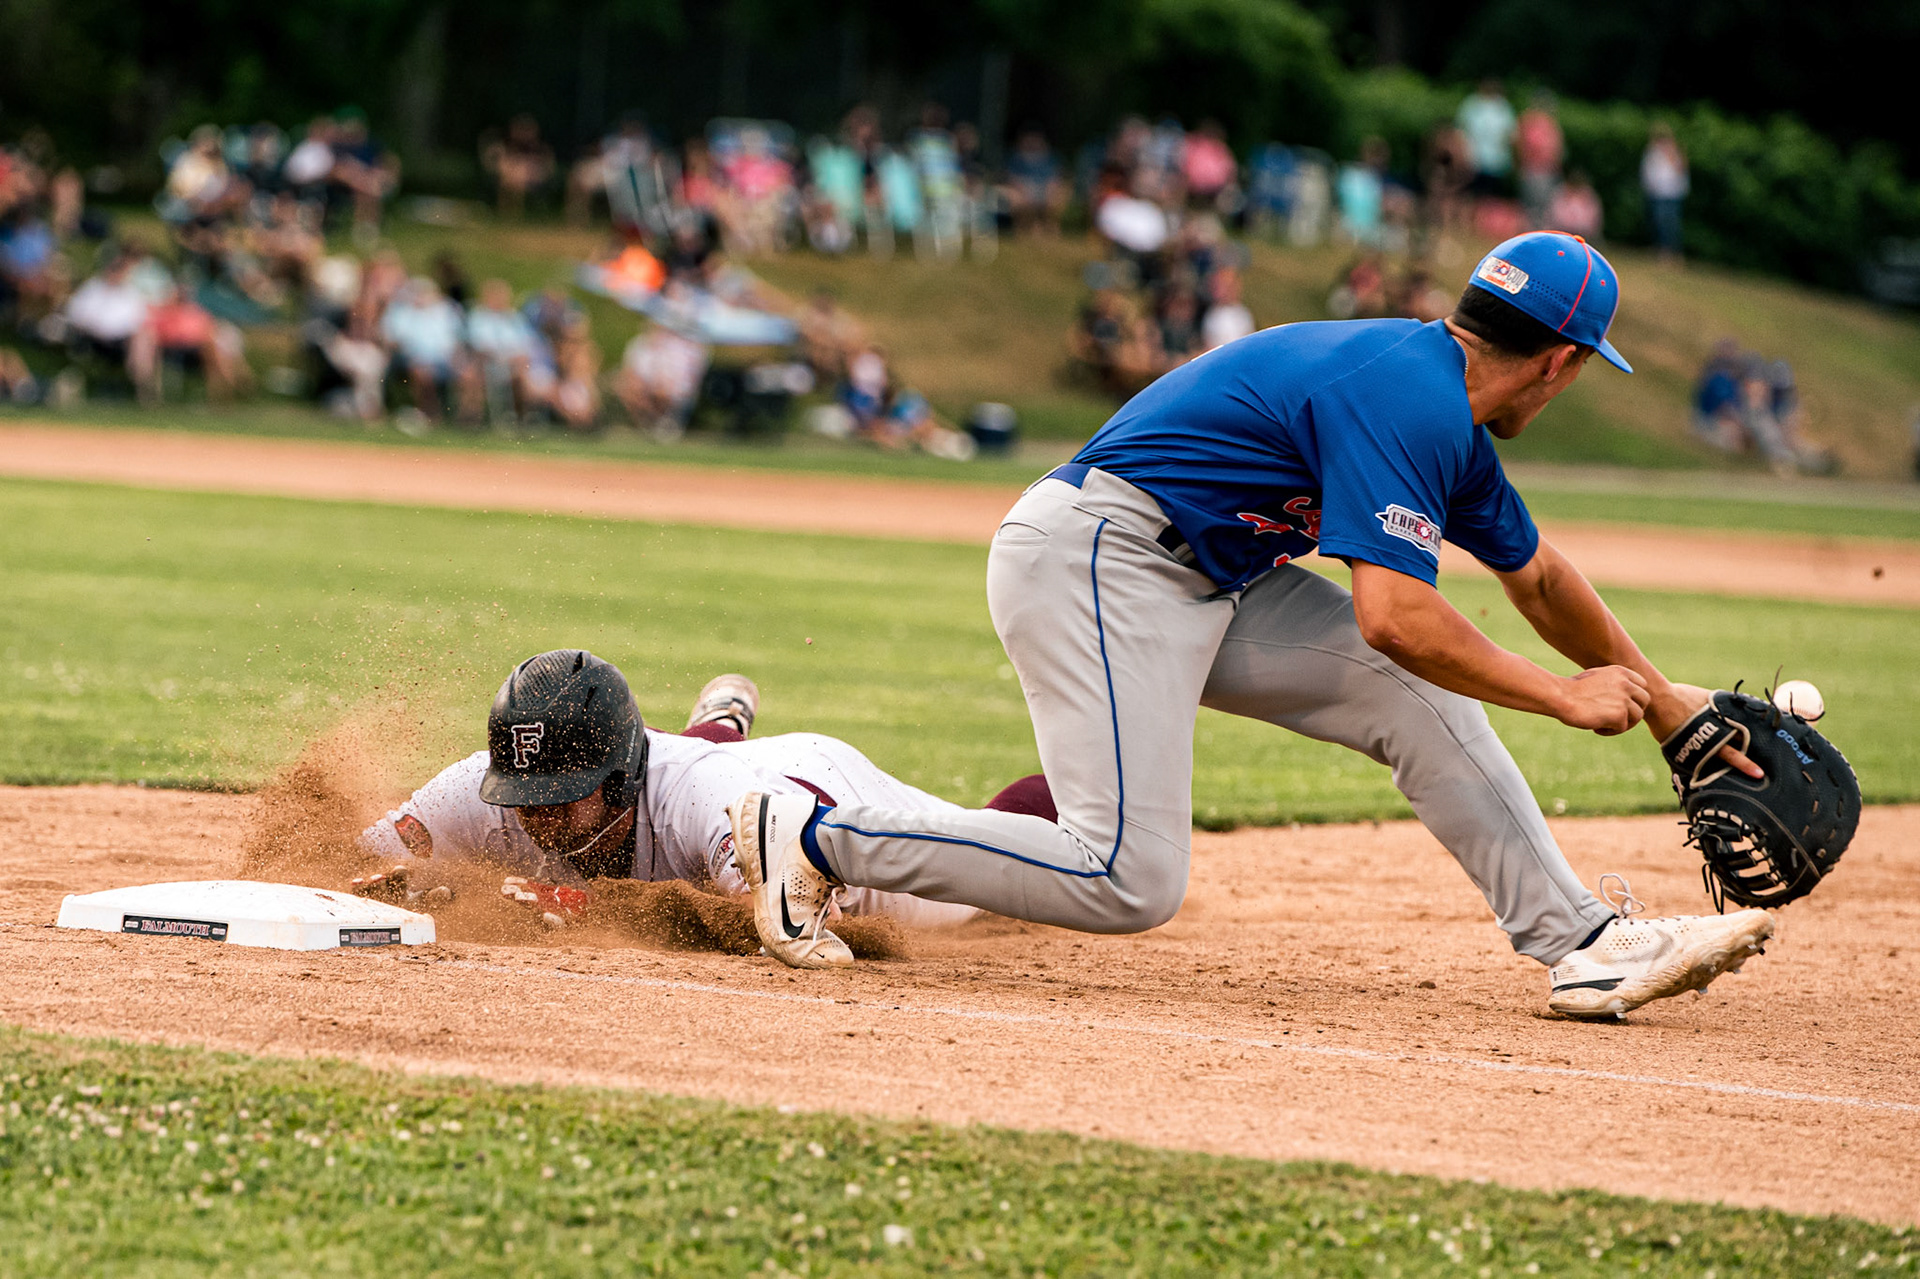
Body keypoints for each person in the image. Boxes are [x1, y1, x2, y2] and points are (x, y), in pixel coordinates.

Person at [728, 230, 1778, 1025]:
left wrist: (1666, 706)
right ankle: (811, 837)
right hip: (1102, 555)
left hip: (1208, 577)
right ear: (1561, 363)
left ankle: (1584, 944)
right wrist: (1560, 694)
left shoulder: (1435, 400)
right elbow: (1397, 615)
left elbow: (1539, 578)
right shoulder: (1408, 397)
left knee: (1411, 696)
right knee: (1125, 875)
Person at [354, 653, 1054, 936]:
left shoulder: (712, 801)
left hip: (822, 794)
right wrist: (388, 880)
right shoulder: (486, 791)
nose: (534, 814)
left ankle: (1094, 799)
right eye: (523, 792)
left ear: (619, 775)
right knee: (703, 768)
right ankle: (718, 724)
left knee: (987, 852)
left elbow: (785, 919)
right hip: (711, 771)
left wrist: (588, 905)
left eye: (561, 795)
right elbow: (355, 859)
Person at [1456, 80, 1517, 196]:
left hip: (1496, 162)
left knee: (1490, 197)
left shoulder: (1503, 107)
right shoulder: (1472, 105)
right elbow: (1461, 132)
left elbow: (1510, 136)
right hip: (1474, 160)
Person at [1515, 91, 1564, 228]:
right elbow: (1526, 146)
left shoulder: (1550, 124)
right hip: (1534, 168)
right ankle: (1531, 231)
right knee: (1532, 204)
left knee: (1544, 205)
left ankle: (1540, 230)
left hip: (1547, 170)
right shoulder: (1530, 122)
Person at [1642, 124, 1689, 261]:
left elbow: (1681, 170)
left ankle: (1673, 251)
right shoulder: (1652, 153)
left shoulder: (1674, 153)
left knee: (1671, 224)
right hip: (1657, 193)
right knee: (1658, 222)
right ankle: (1661, 249)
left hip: (1672, 194)